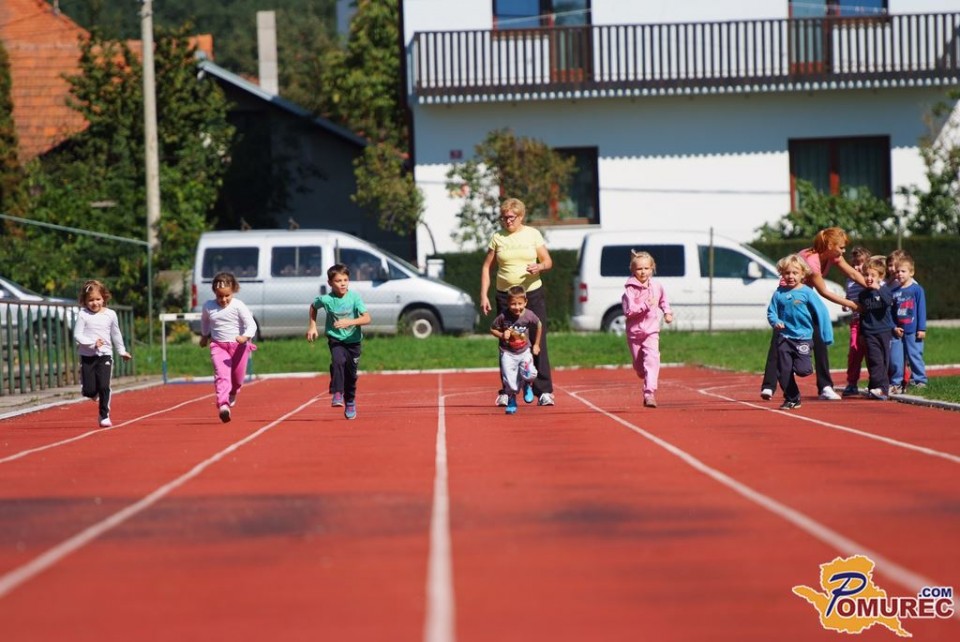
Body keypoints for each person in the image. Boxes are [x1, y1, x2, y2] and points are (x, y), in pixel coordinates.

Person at [760, 227, 865, 402]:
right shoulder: (811, 260)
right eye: (841, 247)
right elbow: (824, 291)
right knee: (779, 340)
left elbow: (853, 273)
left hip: (804, 299)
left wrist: (873, 287)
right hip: (787, 298)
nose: (843, 251)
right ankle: (769, 385)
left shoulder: (833, 256)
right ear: (830, 245)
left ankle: (825, 386)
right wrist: (853, 305)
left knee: (819, 337)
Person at [480, 197, 555, 406]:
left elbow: (548, 261)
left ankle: (544, 391)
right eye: (504, 218)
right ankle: (507, 391)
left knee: (538, 339)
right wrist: (483, 295)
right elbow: (486, 267)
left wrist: (539, 267)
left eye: (511, 217)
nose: (507, 221)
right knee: (507, 341)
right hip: (506, 296)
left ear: (521, 216)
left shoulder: (533, 234)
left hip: (532, 294)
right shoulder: (497, 237)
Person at [766, 255, 834, 410]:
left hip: (803, 338)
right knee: (783, 371)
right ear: (782, 274)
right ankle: (792, 398)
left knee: (803, 370)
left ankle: (803, 363)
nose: (791, 276)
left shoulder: (807, 293)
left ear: (803, 274)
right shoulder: (778, 294)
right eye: (787, 273)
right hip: (784, 338)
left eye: (795, 273)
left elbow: (822, 311)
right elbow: (771, 312)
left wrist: (826, 335)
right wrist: (776, 321)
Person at [307, 264, 371, 420]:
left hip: (354, 341)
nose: (342, 284)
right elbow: (313, 307)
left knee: (351, 375)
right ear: (330, 283)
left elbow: (367, 318)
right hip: (336, 339)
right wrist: (312, 326)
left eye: (345, 280)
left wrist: (350, 322)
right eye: (338, 281)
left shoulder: (354, 297)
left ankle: (350, 401)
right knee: (338, 361)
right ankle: (337, 392)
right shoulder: (327, 299)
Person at [200, 272, 258, 423]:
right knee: (222, 375)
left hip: (239, 347)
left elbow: (251, 325)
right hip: (218, 346)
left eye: (227, 296)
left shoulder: (238, 305)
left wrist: (245, 337)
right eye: (220, 296)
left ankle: (233, 392)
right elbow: (205, 321)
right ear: (215, 292)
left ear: (233, 291)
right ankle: (223, 405)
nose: (224, 300)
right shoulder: (208, 306)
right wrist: (204, 336)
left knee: (237, 379)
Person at [74, 279, 133, 427]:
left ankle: (104, 415)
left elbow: (116, 334)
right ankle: (92, 393)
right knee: (89, 391)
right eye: (90, 300)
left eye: (98, 299)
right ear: (84, 301)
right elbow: (77, 334)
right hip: (87, 356)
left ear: (104, 298)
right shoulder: (83, 315)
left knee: (104, 386)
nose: (95, 303)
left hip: (105, 355)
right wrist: (92, 343)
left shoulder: (110, 314)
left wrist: (121, 351)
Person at [621, 250, 674, 408]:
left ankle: (649, 393)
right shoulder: (629, 291)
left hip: (651, 331)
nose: (643, 272)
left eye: (646, 268)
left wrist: (667, 312)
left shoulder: (657, 286)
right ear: (633, 270)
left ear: (652, 268)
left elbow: (663, 300)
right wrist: (645, 305)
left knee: (652, 359)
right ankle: (642, 372)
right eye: (639, 269)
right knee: (639, 367)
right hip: (634, 334)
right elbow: (628, 311)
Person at [490, 285, 541, 415]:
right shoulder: (503, 316)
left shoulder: (528, 315)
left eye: (520, 304)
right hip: (507, 352)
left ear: (525, 302)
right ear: (508, 303)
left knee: (531, 374)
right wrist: (502, 335)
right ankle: (512, 399)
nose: (517, 307)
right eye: (513, 304)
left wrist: (536, 344)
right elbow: (492, 329)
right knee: (510, 382)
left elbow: (539, 324)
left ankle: (527, 384)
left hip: (524, 351)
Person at [857, 256, 896, 400]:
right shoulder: (863, 295)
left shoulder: (885, 290)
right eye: (866, 275)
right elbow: (862, 314)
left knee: (884, 360)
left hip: (884, 331)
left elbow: (888, 302)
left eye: (872, 275)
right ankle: (877, 387)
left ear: (881, 277)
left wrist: (878, 288)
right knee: (874, 360)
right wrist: (861, 333)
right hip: (869, 332)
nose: (869, 278)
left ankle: (881, 389)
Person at [889, 254, 927, 394]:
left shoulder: (917, 290)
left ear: (911, 272)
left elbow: (921, 309)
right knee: (896, 358)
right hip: (898, 332)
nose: (899, 274)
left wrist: (921, 328)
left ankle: (919, 381)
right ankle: (896, 383)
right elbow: (890, 313)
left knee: (915, 356)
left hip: (913, 331)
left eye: (903, 271)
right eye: (897, 271)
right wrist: (894, 327)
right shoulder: (893, 292)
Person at [842, 246, 871, 397]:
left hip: (871, 323)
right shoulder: (850, 281)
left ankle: (875, 382)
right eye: (854, 264)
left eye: (860, 264)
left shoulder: (870, 281)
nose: (856, 267)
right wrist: (846, 304)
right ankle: (852, 383)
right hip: (856, 322)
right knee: (854, 351)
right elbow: (849, 297)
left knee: (872, 352)